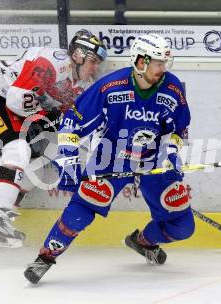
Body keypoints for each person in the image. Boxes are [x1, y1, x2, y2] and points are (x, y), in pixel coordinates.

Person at [24, 34, 195, 284]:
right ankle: (46, 257)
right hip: (112, 156)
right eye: (158, 62)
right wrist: (69, 161)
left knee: (183, 226)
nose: (163, 68)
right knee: (82, 209)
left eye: (164, 62)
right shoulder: (109, 87)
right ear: (140, 62)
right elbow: (72, 125)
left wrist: (171, 152)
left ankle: (143, 241)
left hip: (154, 158)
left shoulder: (172, 87)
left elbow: (179, 128)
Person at [0, 30, 107, 248]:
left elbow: (72, 122)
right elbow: (16, 100)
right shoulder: (51, 62)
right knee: (17, 148)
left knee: (37, 170)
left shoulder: (83, 87)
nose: (95, 67)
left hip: (17, 110)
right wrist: (49, 118)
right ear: (78, 56)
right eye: (93, 61)